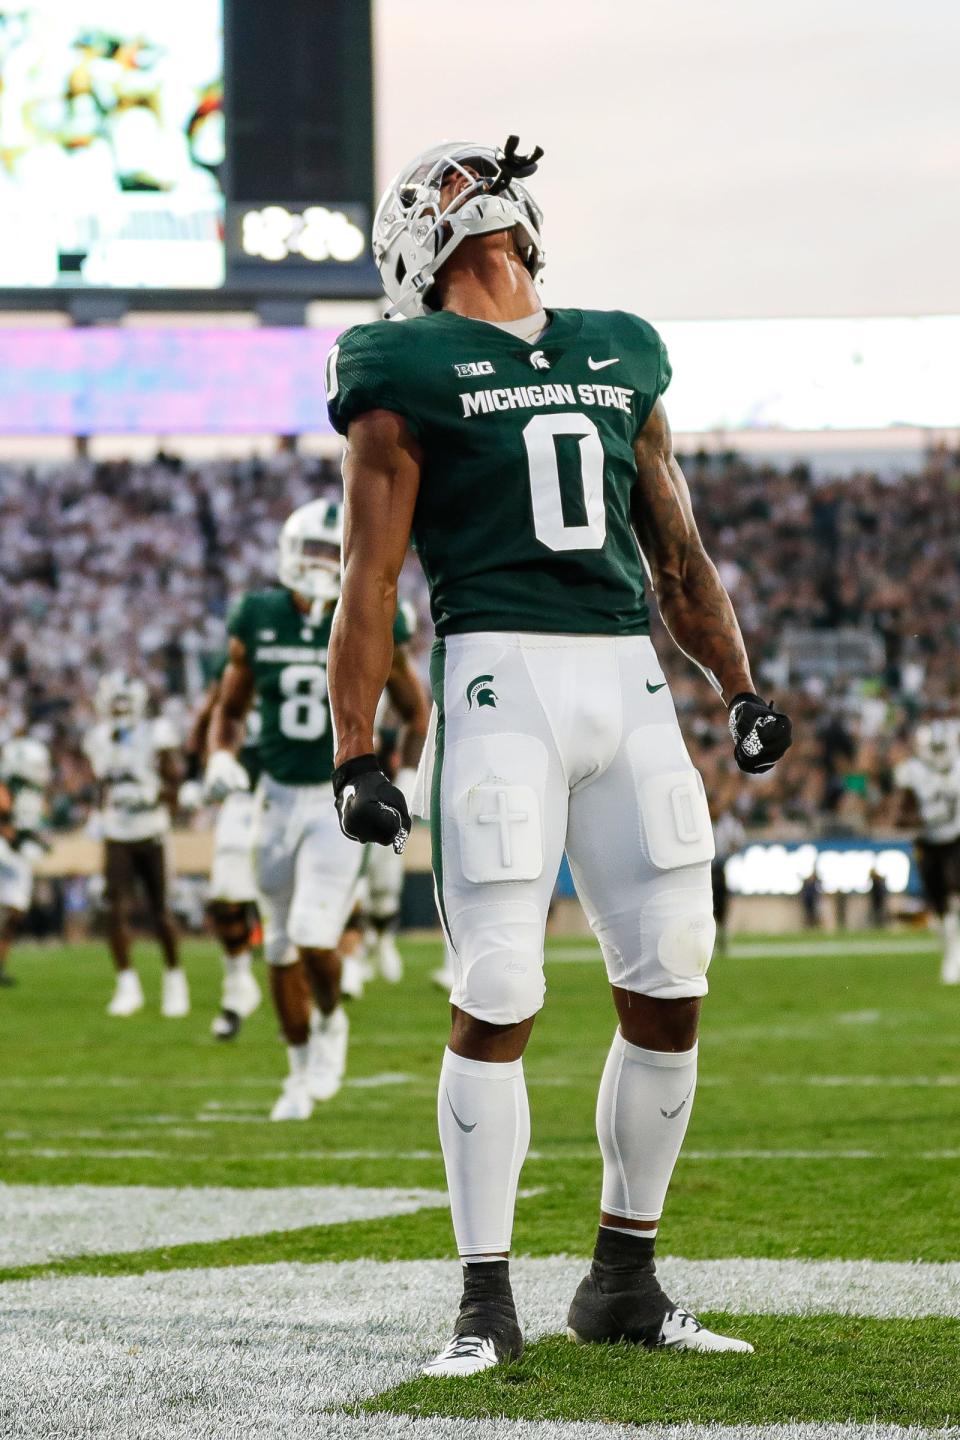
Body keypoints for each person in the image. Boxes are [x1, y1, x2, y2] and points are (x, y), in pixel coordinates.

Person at [326, 138, 792, 1376]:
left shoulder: (619, 343)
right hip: (497, 680)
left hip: (629, 678)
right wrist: (355, 747)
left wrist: (737, 686)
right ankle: (484, 1301)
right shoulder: (400, 365)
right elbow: (369, 572)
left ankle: (623, 1281)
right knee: (498, 990)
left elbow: (678, 552)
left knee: (675, 976)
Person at [205, 499, 428, 1120]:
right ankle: (298, 1069)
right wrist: (221, 753)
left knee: (310, 932)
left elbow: (415, 710)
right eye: (312, 552)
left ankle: (332, 1020)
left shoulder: (373, 612)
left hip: (339, 798)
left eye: (332, 554)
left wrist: (402, 771)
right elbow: (229, 707)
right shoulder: (259, 616)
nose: (321, 566)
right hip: (273, 799)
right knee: (277, 944)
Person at [83, 672, 187, 1017]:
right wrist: (99, 814)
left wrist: (159, 799)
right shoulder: (98, 738)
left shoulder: (155, 733)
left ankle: (174, 980)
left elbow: (173, 779)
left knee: (160, 909)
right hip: (117, 829)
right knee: (116, 908)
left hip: (151, 827)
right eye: (115, 703)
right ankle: (127, 984)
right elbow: (101, 784)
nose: (119, 709)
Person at [188, 672, 263, 1040]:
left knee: (295, 914)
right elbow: (209, 721)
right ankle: (237, 988)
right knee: (226, 897)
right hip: (243, 795)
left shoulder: (315, 650)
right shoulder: (242, 662)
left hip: (298, 793)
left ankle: (311, 1011)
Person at [892, 720, 960, 984]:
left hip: (955, 838)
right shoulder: (911, 771)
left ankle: (955, 956)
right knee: (939, 905)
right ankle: (951, 951)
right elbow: (902, 813)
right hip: (927, 842)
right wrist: (911, 817)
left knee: (955, 897)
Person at [0, 734, 51, 986]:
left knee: (15, 912)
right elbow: (4, 814)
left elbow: (31, 822)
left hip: (17, 852)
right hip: (5, 849)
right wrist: (16, 838)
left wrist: (36, 841)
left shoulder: (33, 789)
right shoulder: (7, 783)